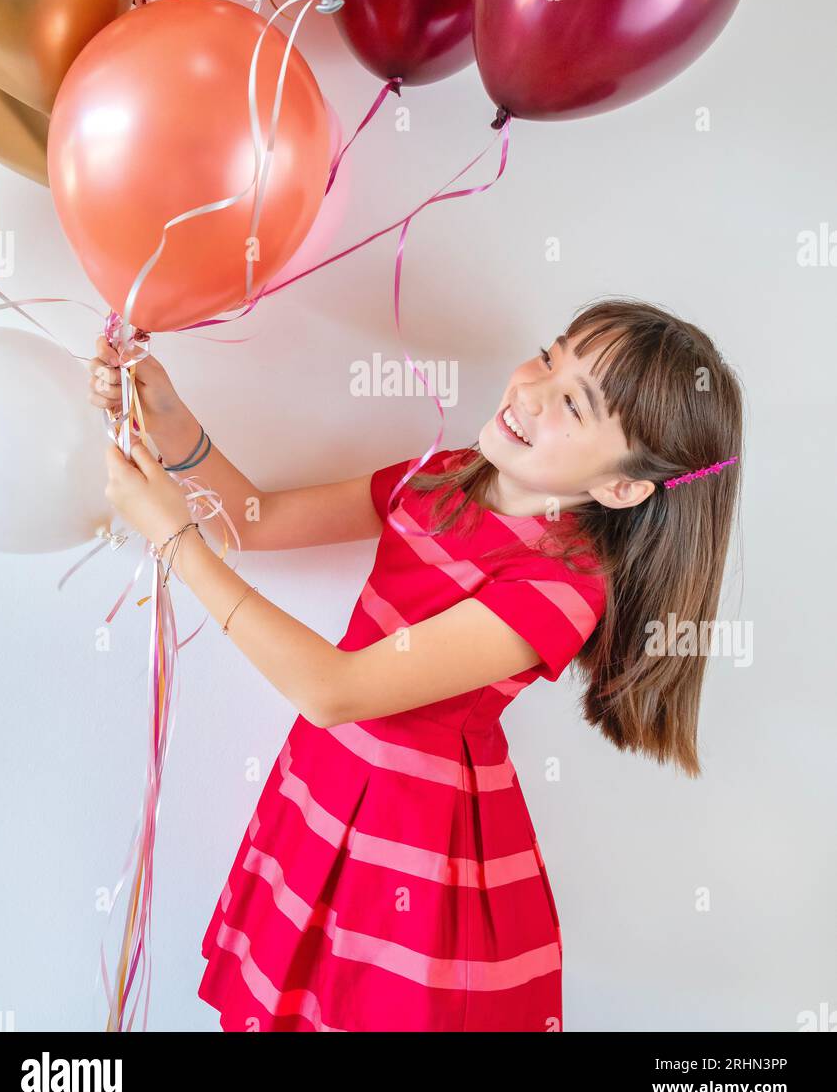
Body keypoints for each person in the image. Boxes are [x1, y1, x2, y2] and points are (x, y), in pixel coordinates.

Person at [88, 295, 743, 1033]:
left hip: (412, 852)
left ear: (621, 487)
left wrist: (176, 542)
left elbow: (333, 690)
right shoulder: (445, 475)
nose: (530, 389)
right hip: (325, 793)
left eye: (572, 402)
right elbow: (256, 518)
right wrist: (170, 417)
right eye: (552, 355)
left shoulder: (562, 589)